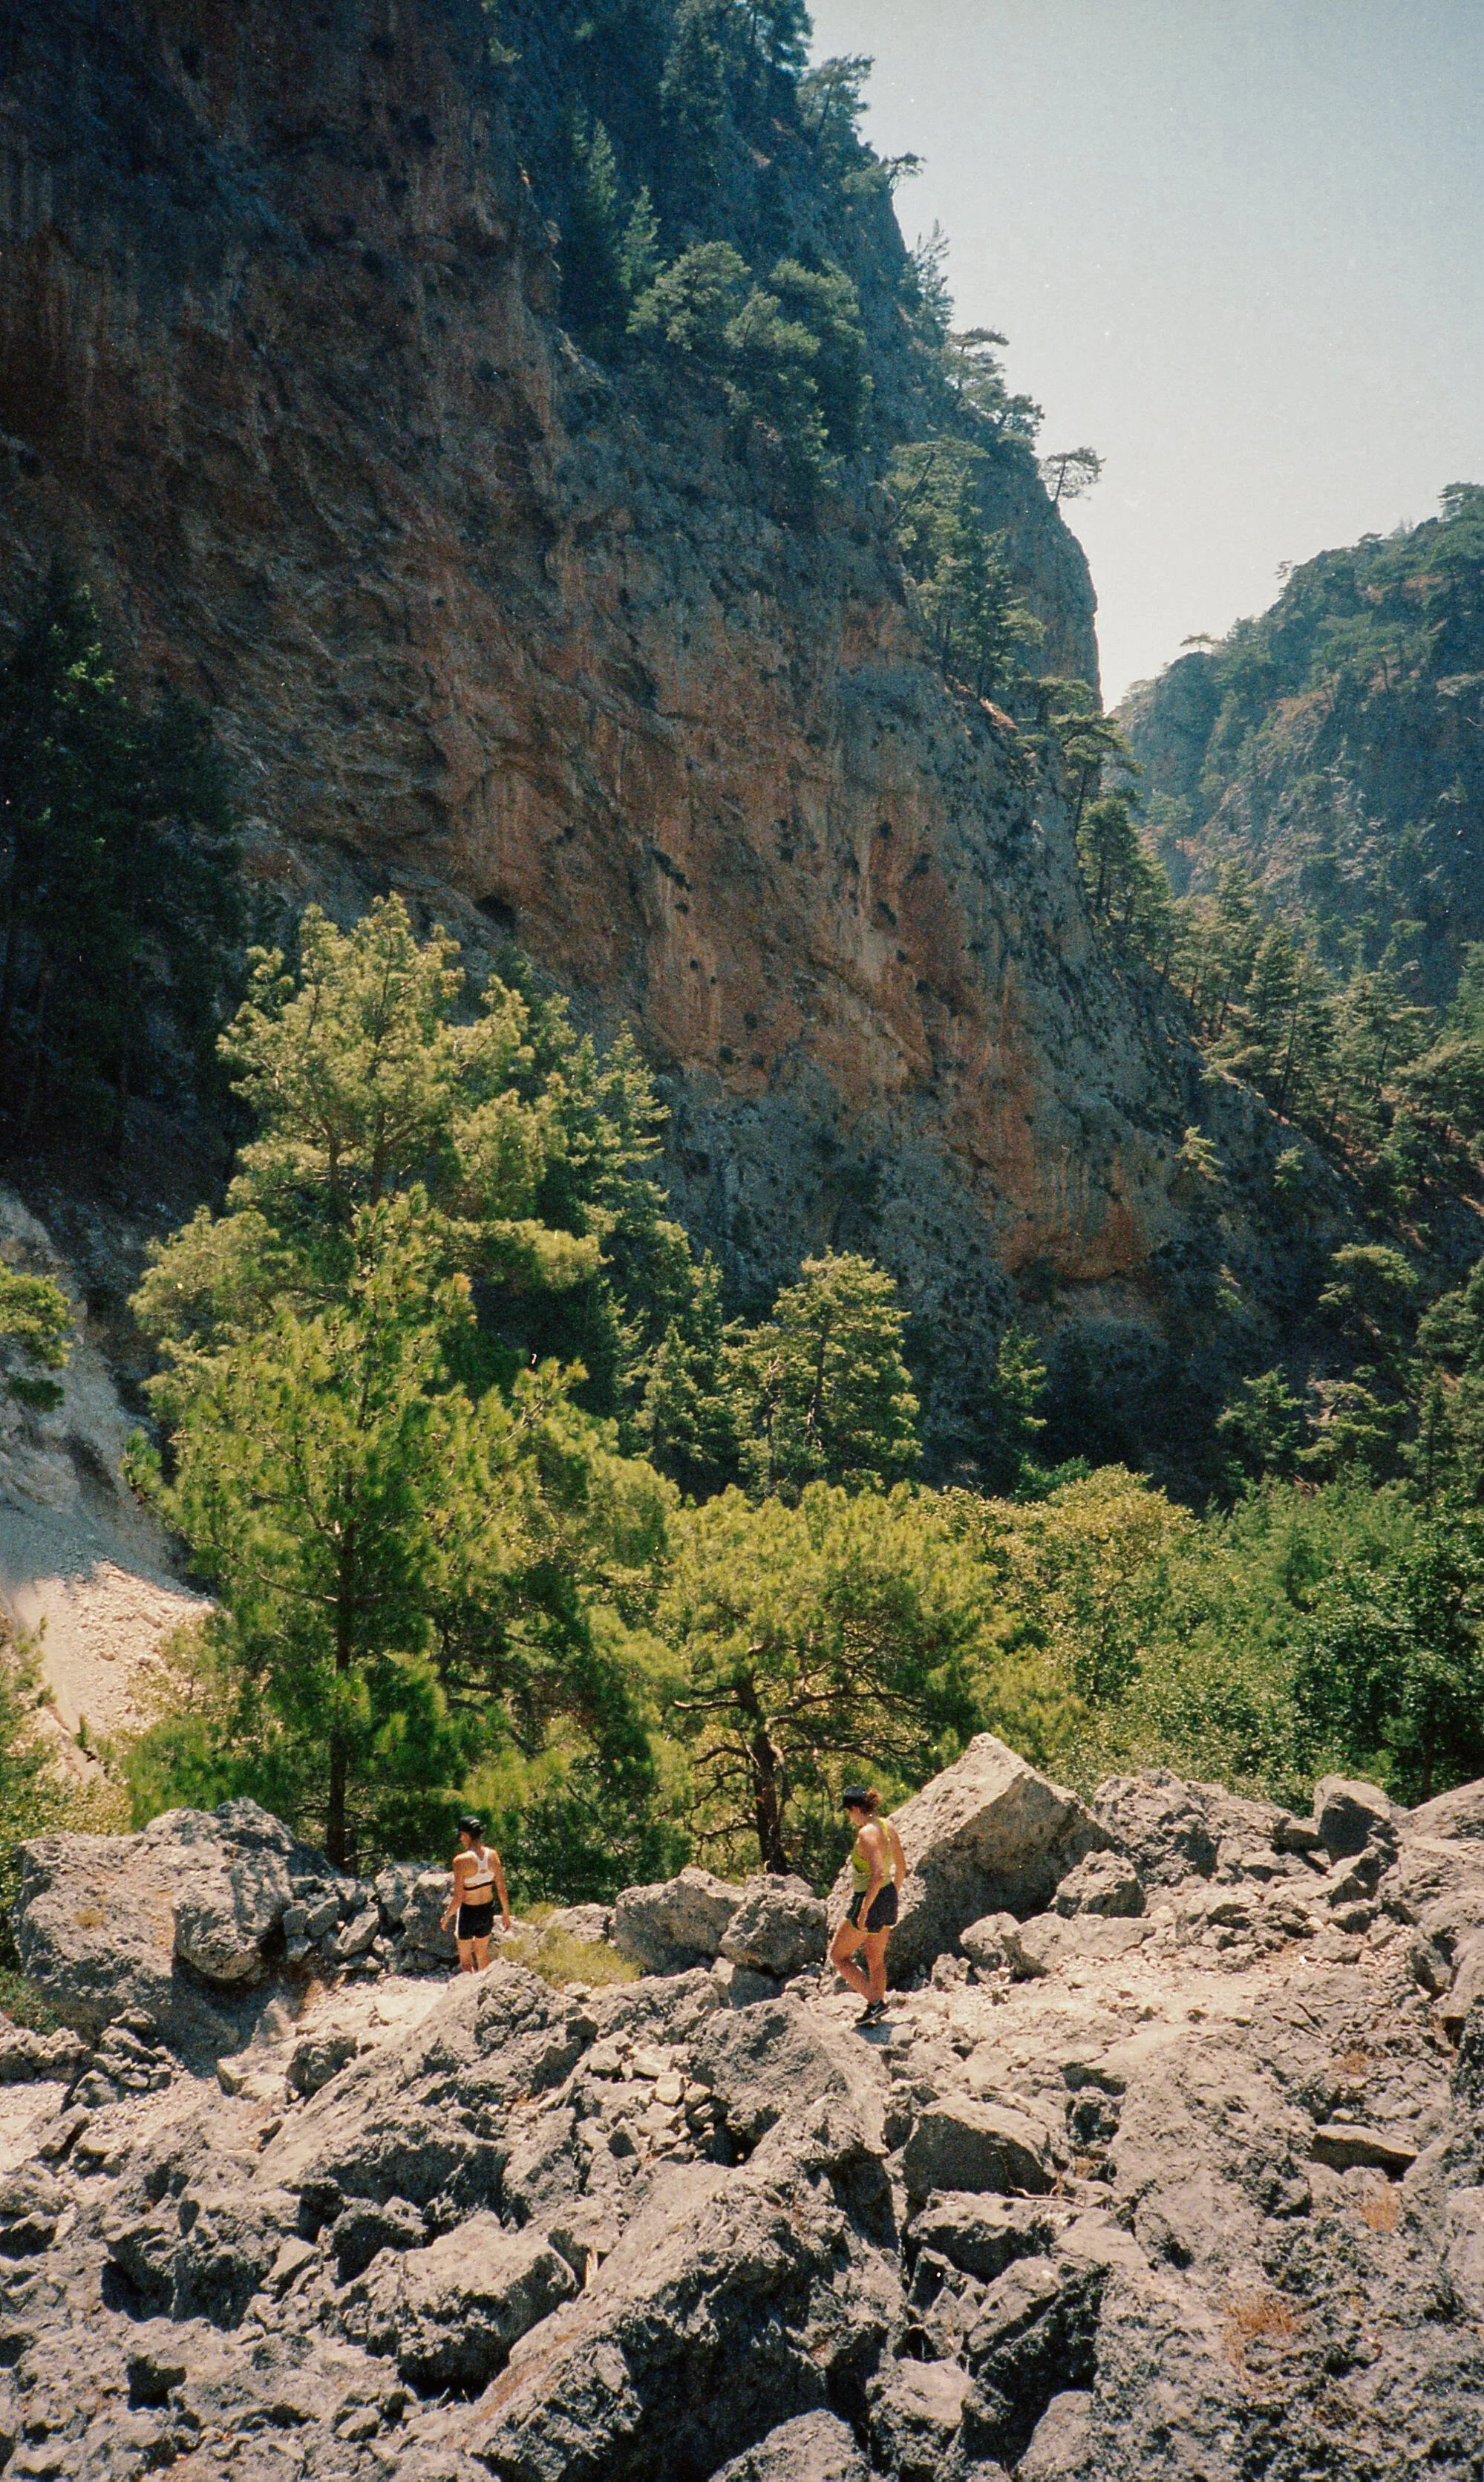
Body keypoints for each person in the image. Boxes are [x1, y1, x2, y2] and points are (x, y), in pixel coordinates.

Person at [830, 1786, 905, 2025]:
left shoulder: (866, 1834)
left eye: (849, 1812)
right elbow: (900, 1868)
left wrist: (864, 1910)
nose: (850, 1818)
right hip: (889, 1896)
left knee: (839, 1956)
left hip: (868, 1898)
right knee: (876, 1958)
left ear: (854, 1809)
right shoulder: (887, 1826)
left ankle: (875, 2003)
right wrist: (893, 1894)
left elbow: (876, 1873)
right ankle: (877, 2007)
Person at [440, 1813, 511, 1973]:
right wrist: (506, 1914)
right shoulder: (493, 1855)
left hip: (468, 1912)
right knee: (482, 1952)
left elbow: (459, 1897)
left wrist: (447, 1916)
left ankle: (469, 1994)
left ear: (465, 1835)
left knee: (466, 1961)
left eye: (461, 1835)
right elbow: (501, 1889)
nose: (460, 1839)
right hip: (487, 1909)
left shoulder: (461, 1861)